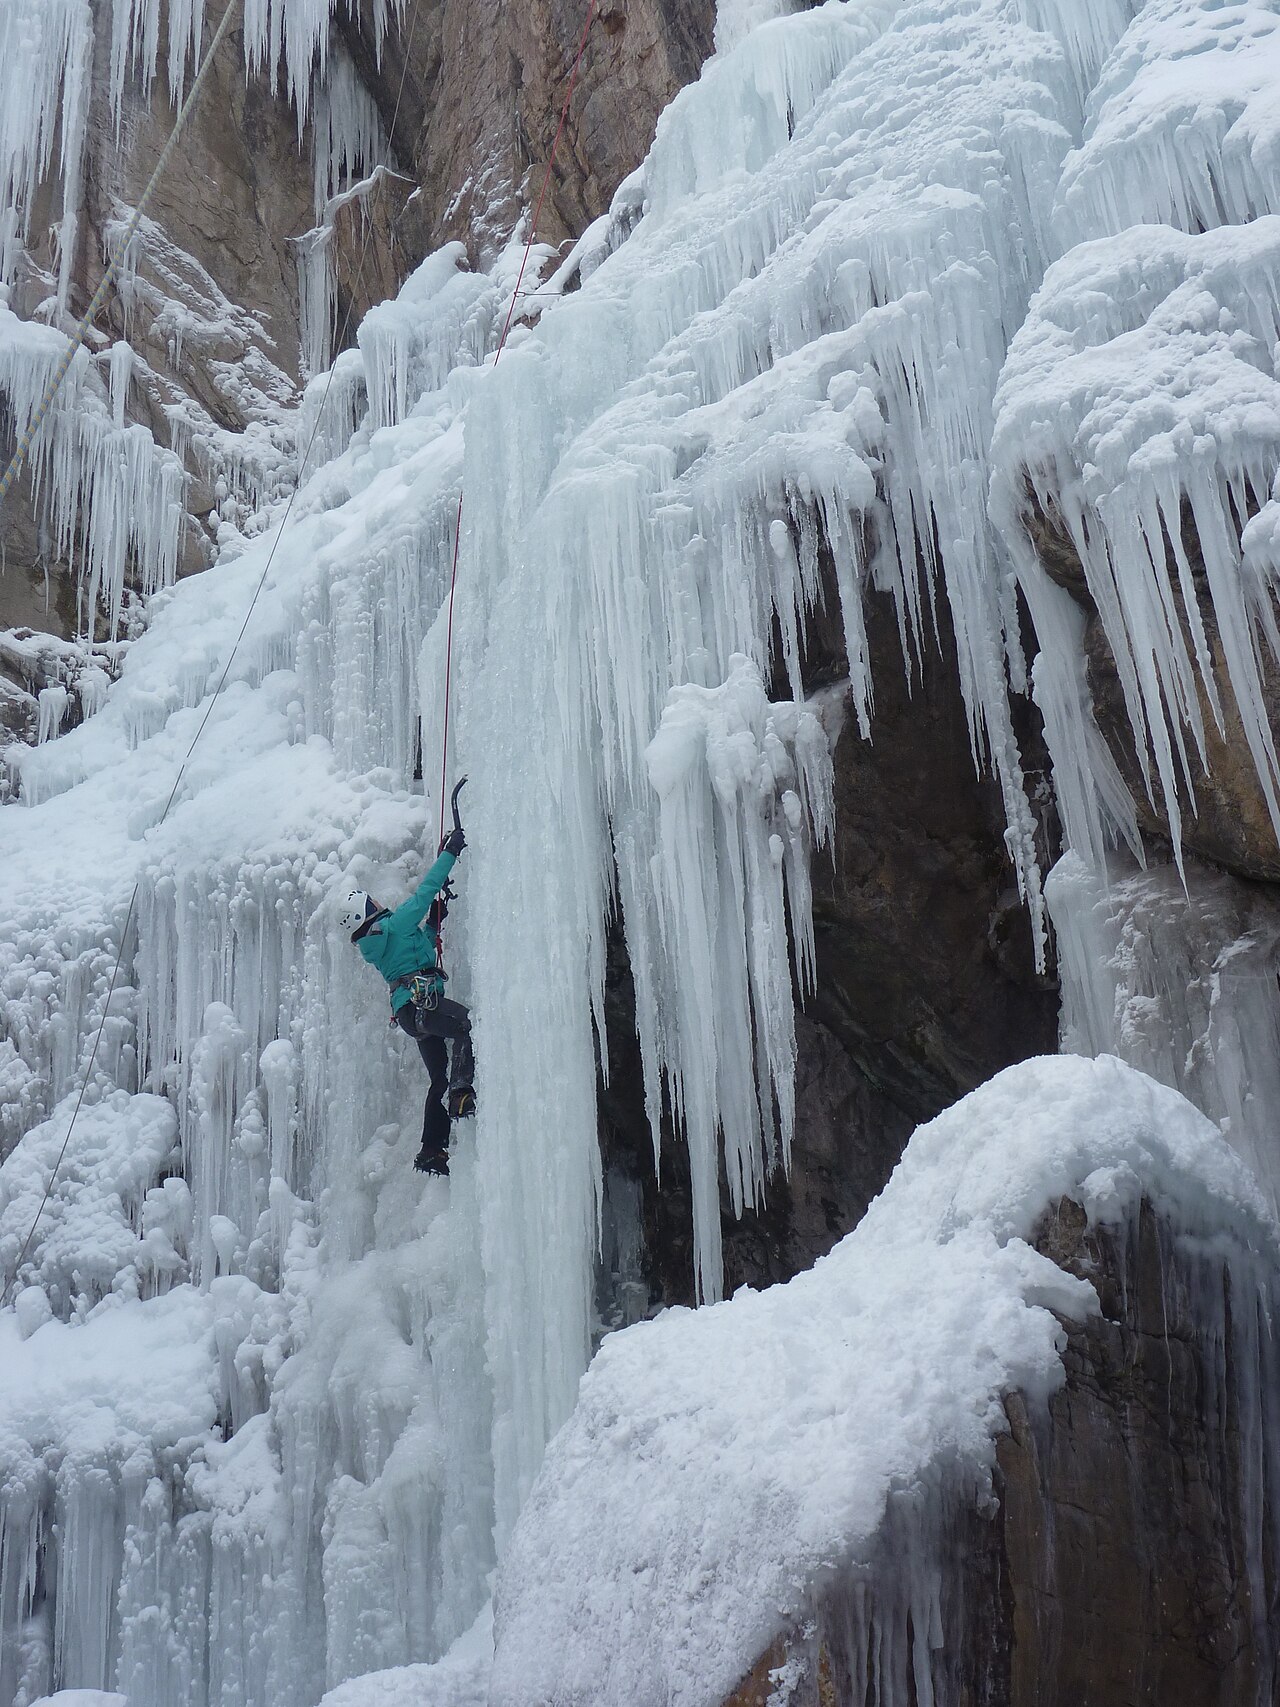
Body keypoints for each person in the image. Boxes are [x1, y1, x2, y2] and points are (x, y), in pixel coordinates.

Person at [338, 824, 475, 1175]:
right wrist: (450, 852)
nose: (380, 903)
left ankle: (432, 1150)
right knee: (465, 1025)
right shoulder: (396, 925)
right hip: (421, 1006)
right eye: (374, 902)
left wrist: (434, 924)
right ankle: (462, 1095)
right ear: (369, 910)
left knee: (438, 1079)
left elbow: (420, 950)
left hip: (411, 1015)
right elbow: (425, 891)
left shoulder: (381, 945)